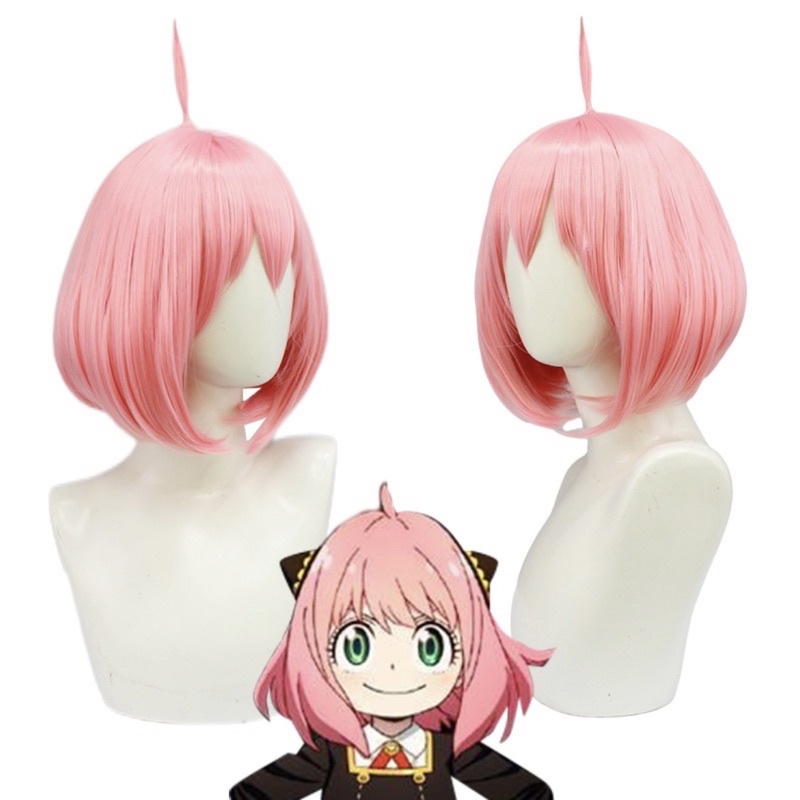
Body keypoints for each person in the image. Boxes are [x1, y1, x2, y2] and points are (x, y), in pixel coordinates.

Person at [231, 485, 553, 799]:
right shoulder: (333, 750)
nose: (394, 669)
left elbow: (528, 791)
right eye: (356, 647)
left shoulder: (445, 746)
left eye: (431, 648)